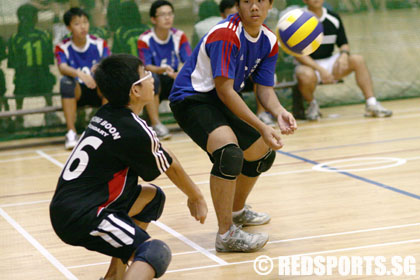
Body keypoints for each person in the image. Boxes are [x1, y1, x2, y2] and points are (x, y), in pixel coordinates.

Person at [50, 54, 208, 280]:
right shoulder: (132, 129)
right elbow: (169, 166)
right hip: (84, 215)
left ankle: (114, 276)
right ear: (135, 91)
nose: (152, 79)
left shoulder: (108, 114)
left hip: (67, 207)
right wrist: (196, 196)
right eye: (145, 74)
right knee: (154, 252)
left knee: (152, 198)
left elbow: (161, 153)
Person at [169, 0, 297, 252]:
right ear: (238, 5)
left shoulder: (269, 40)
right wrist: (262, 126)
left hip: (219, 98)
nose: (254, 7)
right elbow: (226, 91)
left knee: (262, 154)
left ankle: (237, 211)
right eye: (247, 1)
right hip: (191, 98)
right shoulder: (225, 35)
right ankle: (226, 234)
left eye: (260, 1)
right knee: (229, 154)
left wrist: (279, 111)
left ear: (270, 4)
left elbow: (265, 89)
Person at [295, 0, 392, 120]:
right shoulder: (298, 19)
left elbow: (344, 44)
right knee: (303, 74)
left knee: (358, 60)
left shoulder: (333, 17)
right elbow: (297, 53)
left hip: (330, 61)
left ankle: (371, 104)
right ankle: (312, 106)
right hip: (309, 65)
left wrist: (344, 56)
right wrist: (320, 70)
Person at [55, 7, 110, 149]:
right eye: (77, 23)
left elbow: (109, 63)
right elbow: (62, 68)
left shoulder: (99, 43)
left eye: (85, 22)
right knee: (65, 82)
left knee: (109, 79)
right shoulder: (62, 47)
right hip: (77, 92)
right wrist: (80, 74)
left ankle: (106, 129)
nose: (82, 27)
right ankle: (71, 132)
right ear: (69, 27)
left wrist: (99, 69)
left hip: (98, 89)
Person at [137, 0, 192, 140]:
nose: (167, 18)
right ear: (153, 19)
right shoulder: (145, 39)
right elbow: (146, 66)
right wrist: (161, 69)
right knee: (152, 79)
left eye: (170, 14)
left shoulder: (179, 35)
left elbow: (189, 61)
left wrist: (180, 72)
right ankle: (156, 124)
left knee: (190, 77)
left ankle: (192, 120)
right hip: (155, 79)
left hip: (173, 78)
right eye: (162, 15)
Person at [7, 3, 59, 128]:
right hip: (34, 75)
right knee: (39, 83)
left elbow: (13, 63)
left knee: (24, 85)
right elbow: (49, 59)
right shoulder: (41, 36)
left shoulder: (17, 38)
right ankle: (21, 116)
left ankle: (25, 116)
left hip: (28, 77)